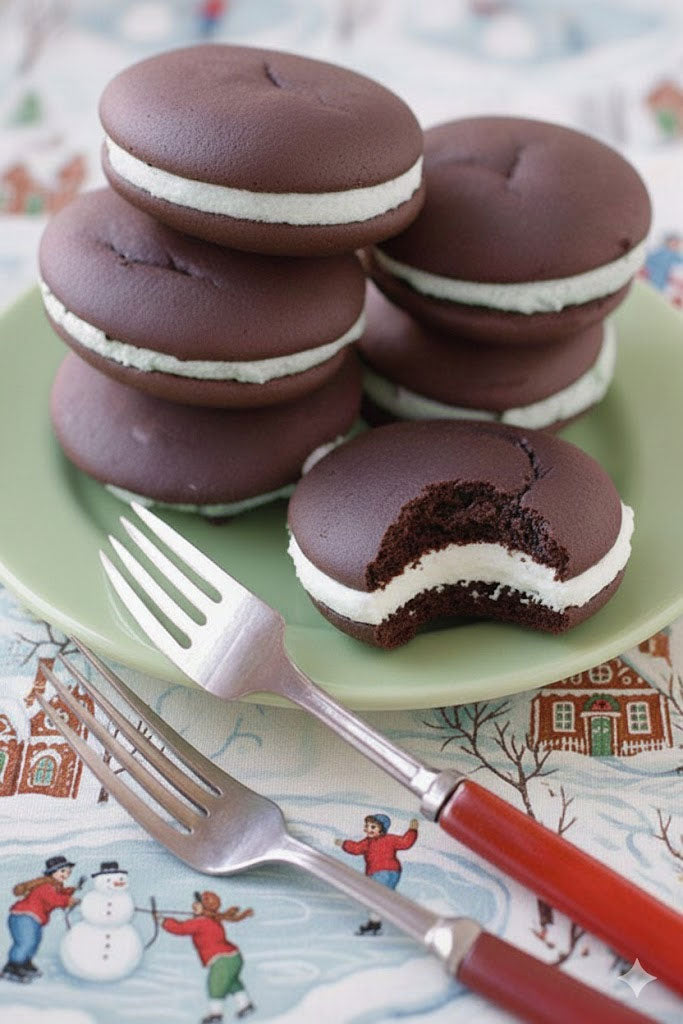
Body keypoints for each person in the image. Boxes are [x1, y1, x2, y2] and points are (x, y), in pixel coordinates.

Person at [162, 891, 255, 1023]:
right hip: (233, 957)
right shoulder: (210, 920)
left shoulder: (201, 922)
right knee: (232, 982)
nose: (194, 905)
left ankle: (216, 1014)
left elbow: (181, 928)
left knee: (215, 984)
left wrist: (164, 921)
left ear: (205, 907)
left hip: (223, 959)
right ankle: (245, 1005)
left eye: (198, 903)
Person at [335, 813, 418, 934]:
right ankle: (376, 922)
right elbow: (356, 848)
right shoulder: (368, 842)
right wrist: (344, 844)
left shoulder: (388, 839)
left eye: (373, 827)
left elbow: (405, 842)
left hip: (383, 872)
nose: (369, 829)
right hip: (386, 872)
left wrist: (412, 830)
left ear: (382, 829)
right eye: (367, 826)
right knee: (381, 896)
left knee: (376, 896)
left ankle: (385, 919)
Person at [2, 855, 78, 983]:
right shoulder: (45, 886)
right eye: (63, 871)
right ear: (53, 872)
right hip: (23, 917)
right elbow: (54, 899)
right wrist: (67, 901)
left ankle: (24, 963)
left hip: (32, 919)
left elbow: (58, 894)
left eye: (68, 871)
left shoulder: (54, 886)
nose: (67, 874)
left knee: (34, 942)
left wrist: (69, 892)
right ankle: (12, 967)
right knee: (26, 942)